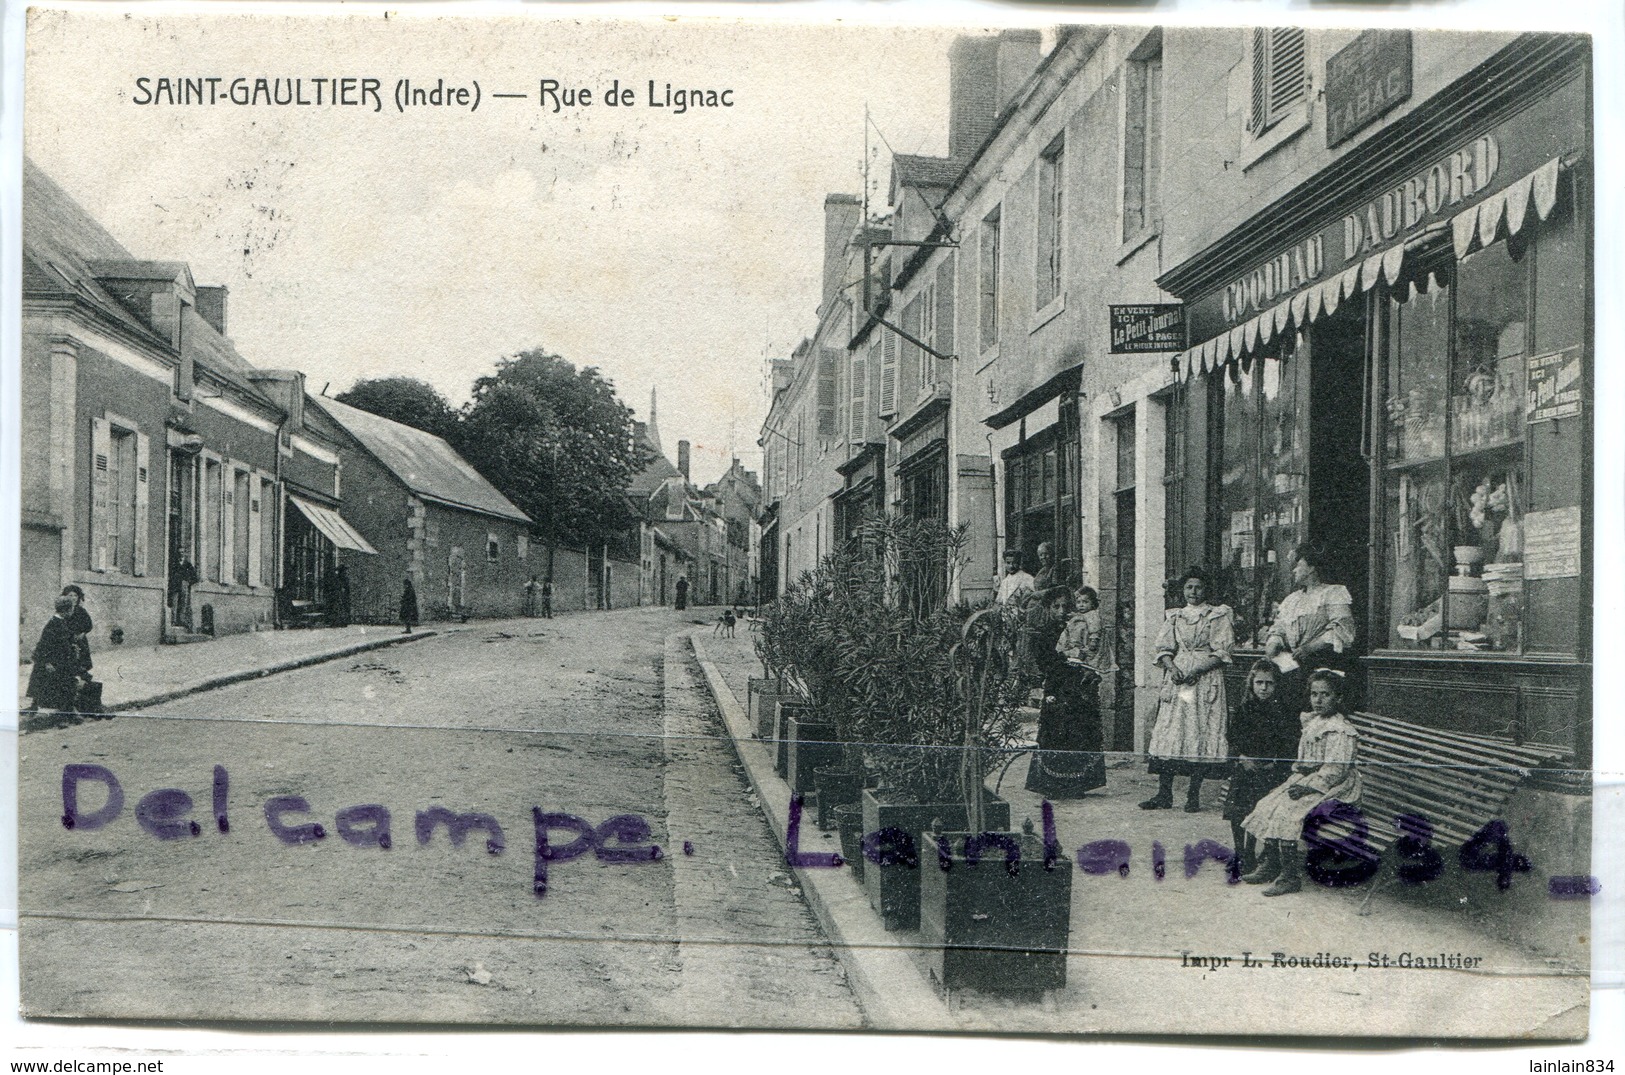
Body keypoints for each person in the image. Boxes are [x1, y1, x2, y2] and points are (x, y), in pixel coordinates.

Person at [1242, 668, 1363, 897]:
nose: (1318, 700)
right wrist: (1301, 771)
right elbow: (1304, 758)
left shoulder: (1340, 730)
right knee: (1268, 804)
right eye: (1314, 694)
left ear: (1338, 698)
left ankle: (1290, 876)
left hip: (1335, 786)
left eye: (1325, 695)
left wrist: (1308, 785)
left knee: (1288, 812)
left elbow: (1335, 770)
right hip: (1309, 779)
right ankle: (1272, 863)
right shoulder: (1312, 722)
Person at [1142, 566, 1235, 812]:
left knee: (1199, 730)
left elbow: (1222, 652)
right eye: (1189, 587)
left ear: (1206, 589)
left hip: (1204, 678)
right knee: (1174, 730)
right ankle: (1164, 794)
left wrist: (1198, 670)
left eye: (1198, 587)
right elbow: (1163, 648)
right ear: (1182, 590)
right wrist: (1171, 668)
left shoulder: (1217, 615)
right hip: (1180, 679)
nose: (1193, 592)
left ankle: (1193, 796)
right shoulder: (1175, 616)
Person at [1026, 586, 1107, 798]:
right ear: (1048, 608)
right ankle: (1053, 783)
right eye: (1056, 606)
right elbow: (1044, 661)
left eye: (1065, 606)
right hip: (1059, 684)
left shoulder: (1082, 623)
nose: (1061, 610)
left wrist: (1091, 669)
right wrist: (1065, 661)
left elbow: (1095, 650)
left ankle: (1078, 782)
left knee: (1080, 730)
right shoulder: (1045, 632)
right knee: (1057, 731)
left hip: (1080, 684)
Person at [1222, 659, 1299, 874]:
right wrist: (1242, 757)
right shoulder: (1245, 709)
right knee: (1239, 803)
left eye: (1269, 683)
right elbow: (1233, 738)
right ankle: (1242, 852)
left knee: (1263, 803)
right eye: (1259, 683)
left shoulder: (1284, 712)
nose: (1264, 688)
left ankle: (1257, 849)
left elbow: (1289, 744)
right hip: (1246, 766)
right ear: (1252, 684)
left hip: (1272, 770)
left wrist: (1274, 762)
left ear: (1277, 685)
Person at [1264, 544, 1357, 709]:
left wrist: (1310, 647)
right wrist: (1274, 642)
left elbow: (1342, 627)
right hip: (1292, 666)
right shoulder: (1292, 599)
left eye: (1298, 565)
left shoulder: (1332, 593)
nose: (1294, 570)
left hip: (1322, 662)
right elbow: (1280, 627)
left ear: (1312, 568)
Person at [26, 596, 86, 712]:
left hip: (60, 662)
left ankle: (66, 712)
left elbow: (64, 640)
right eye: (72, 609)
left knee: (57, 687)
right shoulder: (53, 624)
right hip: (53, 663)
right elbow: (44, 645)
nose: (72, 612)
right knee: (57, 687)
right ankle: (67, 714)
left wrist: (72, 645)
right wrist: (47, 663)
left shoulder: (60, 622)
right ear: (67, 610)